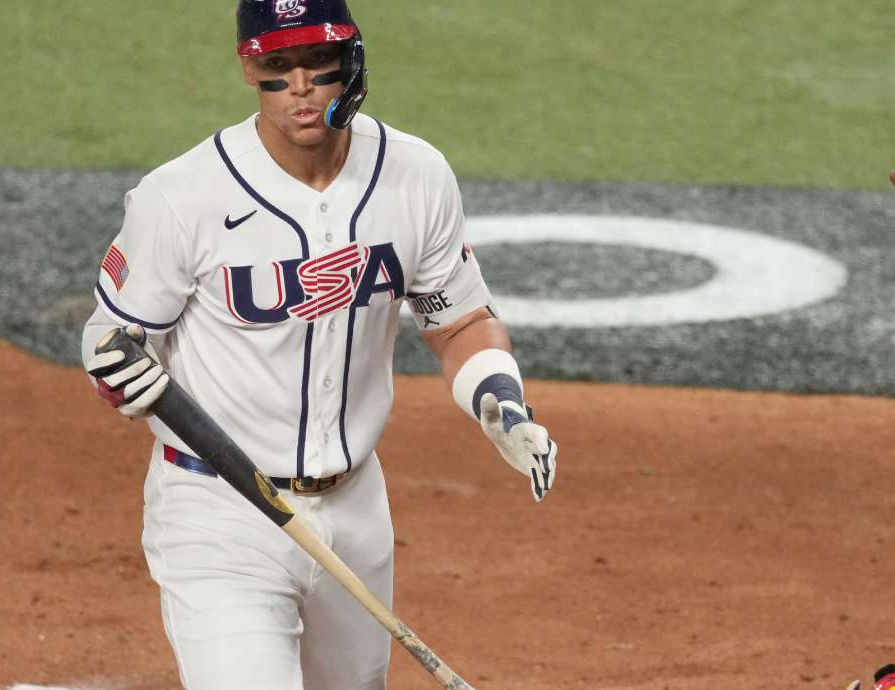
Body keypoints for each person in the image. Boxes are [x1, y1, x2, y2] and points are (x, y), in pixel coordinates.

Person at [81, 1, 558, 688]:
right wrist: (118, 373)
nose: (299, 85)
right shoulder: (183, 197)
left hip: (357, 507)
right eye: (277, 65)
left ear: (352, 60)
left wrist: (499, 399)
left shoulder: (415, 176)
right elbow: (113, 341)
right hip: (221, 511)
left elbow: (454, 318)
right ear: (249, 67)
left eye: (316, 61)